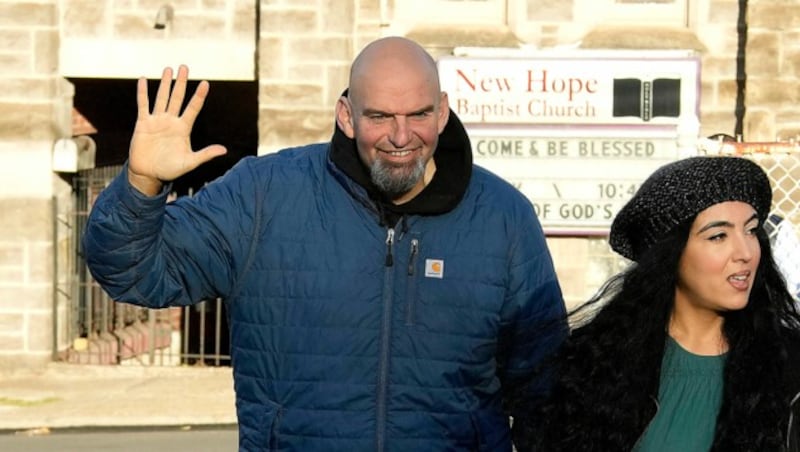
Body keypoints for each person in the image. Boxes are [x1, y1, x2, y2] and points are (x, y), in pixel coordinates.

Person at [81, 36, 567, 451]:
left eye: (418, 114)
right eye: (379, 116)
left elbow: (545, 391)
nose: (401, 137)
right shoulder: (264, 195)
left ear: (441, 113)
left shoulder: (504, 217)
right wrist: (142, 183)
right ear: (346, 116)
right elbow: (133, 272)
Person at [512, 155, 800, 451]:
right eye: (718, 236)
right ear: (669, 255)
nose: (745, 252)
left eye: (751, 230)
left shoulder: (790, 367)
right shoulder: (598, 365)